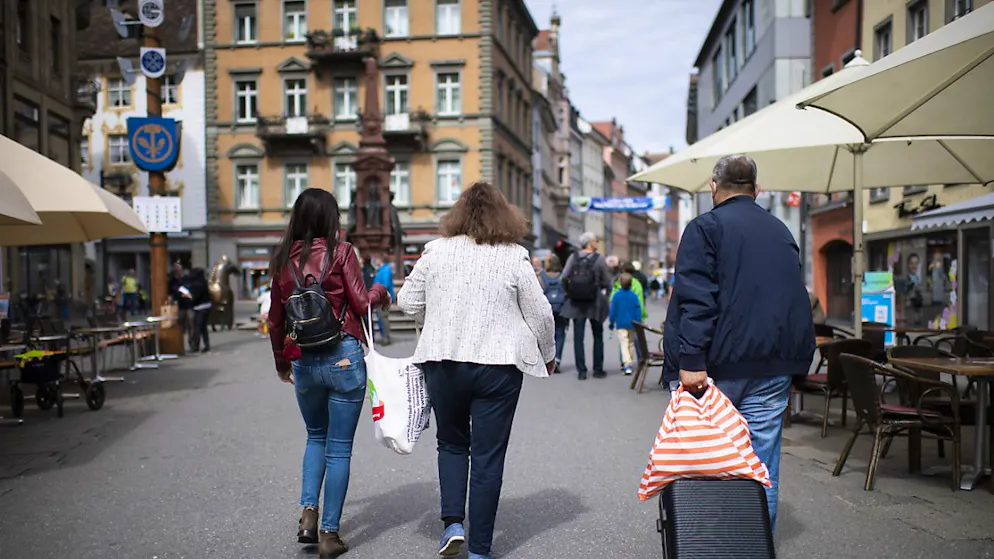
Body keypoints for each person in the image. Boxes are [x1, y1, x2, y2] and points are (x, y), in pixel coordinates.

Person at [397, 181, 555, 559]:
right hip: (498, 367)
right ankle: (480, 549)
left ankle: (453, 524)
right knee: (488, 456)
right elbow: (541, 313)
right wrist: (547, 353)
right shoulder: (514, 256)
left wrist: (435, 316)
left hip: (444, 360)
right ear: (505, 215)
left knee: (451, 443)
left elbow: (407, 302)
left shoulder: (435, 251)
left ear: (458, 214)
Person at [662, 154, 814, 530]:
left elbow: (697, 298)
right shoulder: (780, 230)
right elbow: (793, 295)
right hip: (773, 365)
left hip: (718, 366)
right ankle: (755, 545)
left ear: (714, 186)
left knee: (709, 460)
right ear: (756, 189)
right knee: (761, 464)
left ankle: (714, 543)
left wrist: (691, 358)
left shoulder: (705, 228)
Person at [268, 188, 391, 559]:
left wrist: (282, 362)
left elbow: (275, 319)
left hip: (303, 359)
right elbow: (361, 303)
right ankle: (329, 534)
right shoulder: (342, 251)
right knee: (338, 449)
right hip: (343, 357)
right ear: (329, 218)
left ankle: (308, 515)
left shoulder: (282, 258)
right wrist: (381, 291)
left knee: (315, 436)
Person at [560, 232, 613, 380]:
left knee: (578, 337)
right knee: (597, 335)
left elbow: (564, 277)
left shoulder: (573, 257)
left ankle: (581, 371)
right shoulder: (598, 259)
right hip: (595, 301)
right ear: (590, 243)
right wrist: (606, 295)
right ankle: (597, 369)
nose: (596, 243)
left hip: (576, 302)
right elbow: (607, 281)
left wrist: (569, 291)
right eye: (595, 241)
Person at [609, 273, 642, 376]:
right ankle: (630, 361)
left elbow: (613, 311)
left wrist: (611, 322)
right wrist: (638, 322)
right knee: (631, 343)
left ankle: (627, 364)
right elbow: (638, 310)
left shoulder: (616, 296)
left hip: (621, 323)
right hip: (632, 323)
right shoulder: (634, 296)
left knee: (624, 343)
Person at [539, 254, 567, 373]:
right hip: (560, 308)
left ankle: (547, 359)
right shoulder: (562, 277)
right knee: (560, 333)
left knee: (546, 334)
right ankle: (558, 359)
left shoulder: (541, 277)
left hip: (546, 309)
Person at [188, 268, 212, 353]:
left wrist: (190, 298)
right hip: (206, 307)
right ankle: (206, 345)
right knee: (203, 328)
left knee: (198, 327)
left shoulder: (197, 284)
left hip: (200, 307)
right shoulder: (203, 282)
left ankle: (196, 346)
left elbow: (195, 297)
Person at [372, 256, 394, 346]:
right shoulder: (382, 269)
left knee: (383, 317)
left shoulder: (386, 269)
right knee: (381, 317)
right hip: (380, 297)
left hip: (383, 298)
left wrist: (378, 292)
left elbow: (385, 284)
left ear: (381, 260)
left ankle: (386, 337)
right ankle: (384, 336)